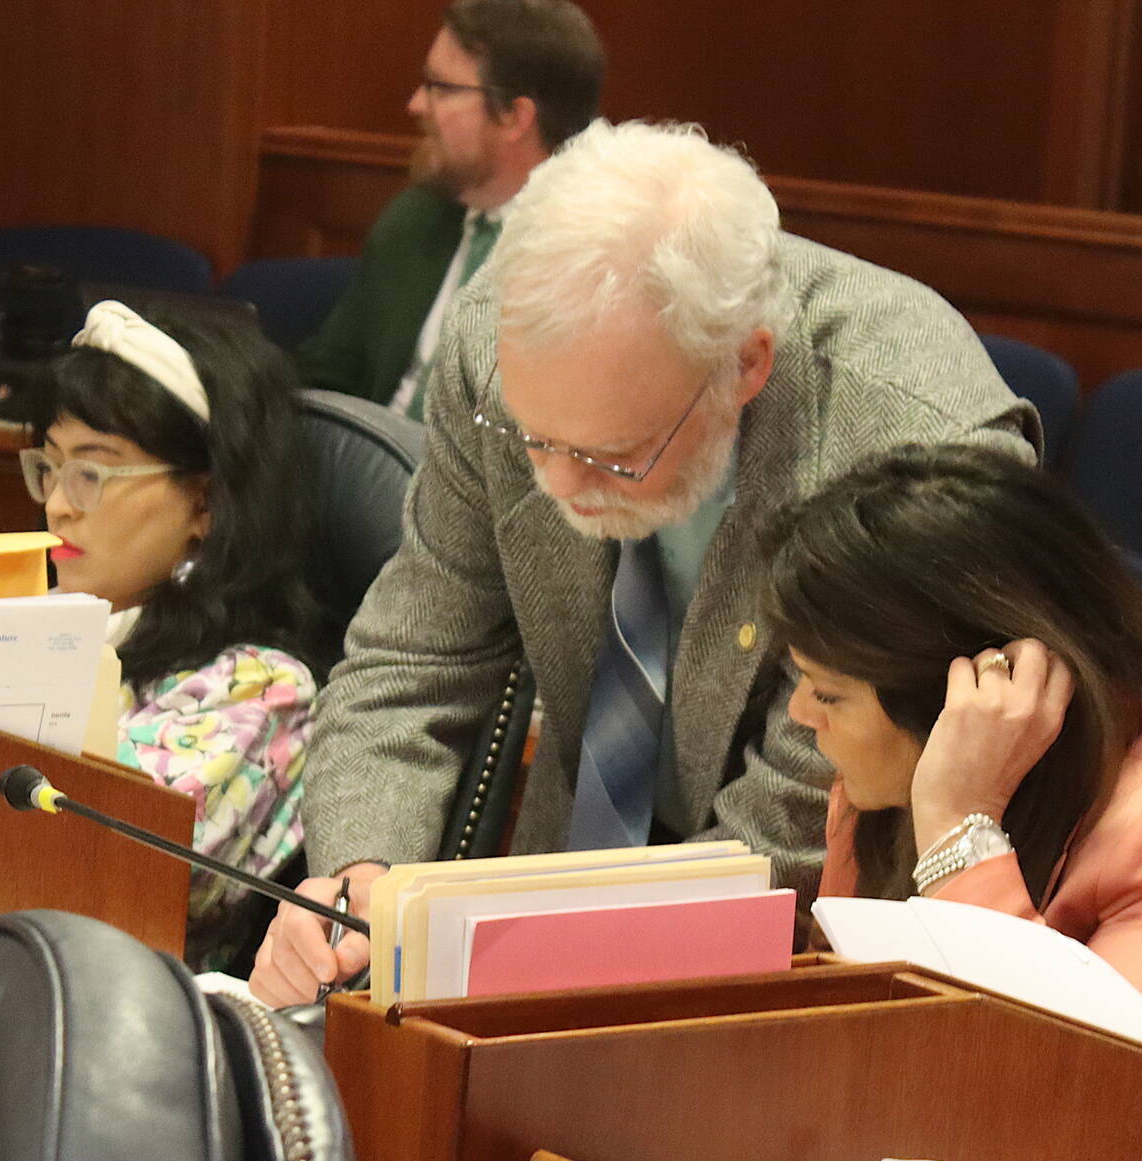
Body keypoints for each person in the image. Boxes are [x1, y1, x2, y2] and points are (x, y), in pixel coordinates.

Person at [246, 120, 1038, 1006]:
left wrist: (520, 959)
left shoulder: (910, 433)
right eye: (536, 438)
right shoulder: (499, 349)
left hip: (807, 956)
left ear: (746, 365)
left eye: (613, 454)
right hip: (562, 867)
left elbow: (803, 812)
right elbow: (413, 656)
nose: (558, 485)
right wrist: (355, 886)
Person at [764, 448, 1142, 1133]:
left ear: (969, 692)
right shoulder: (878, 791)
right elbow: (857, 1054)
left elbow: (1095, 1110)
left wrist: (958, 830)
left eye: (828, 691)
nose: (800, 714)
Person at [25, 300, 329, 972]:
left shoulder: (259, 688)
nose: (56, 503)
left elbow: (95, 871)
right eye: (48, 467)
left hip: (127, 1026)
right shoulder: (36, 623)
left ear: (205, 503)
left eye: (92, 472)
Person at [295, 0, 605, 413]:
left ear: (515, 116)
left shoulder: (595, 261)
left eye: (440, 87)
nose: (416, 104)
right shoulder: (417, 217)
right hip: (373, 464)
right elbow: (328, 375)